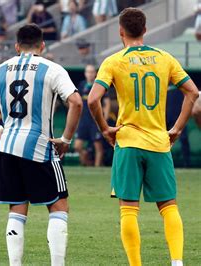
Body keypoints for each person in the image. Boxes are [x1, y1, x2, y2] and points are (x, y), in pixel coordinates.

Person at [87, 8, 199, 266]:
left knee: (128, 208)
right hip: (159, 143)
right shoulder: (165, 58)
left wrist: (105, 128)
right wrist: (177, 128)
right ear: (145, 30)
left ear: (120, 32)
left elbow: (93, 99)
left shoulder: (114, 61)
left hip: (127, 142)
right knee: (169, 206)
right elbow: (192, 93)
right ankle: (177, 262)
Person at [0, 24, 83, 266]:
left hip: (8, 146)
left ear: (17, 47)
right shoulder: (52, 69)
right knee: (59, 206)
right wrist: (66, 139)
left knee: (17, 209)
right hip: (40, 146)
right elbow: (76, 102)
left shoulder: (0, 69)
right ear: (42, 45)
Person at [74, 64, 109, 166]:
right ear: (85, 73)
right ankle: (86, 163)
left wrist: (104, 118)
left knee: (98, 146)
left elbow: (107, 103)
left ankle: (97, 167)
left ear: (95, 73)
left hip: (96, 120)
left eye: (91, 72)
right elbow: (76, 101)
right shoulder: (81, 85)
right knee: (77, 146)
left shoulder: (100, 85)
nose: (89, 74)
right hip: (83, 120)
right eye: (88, 72)